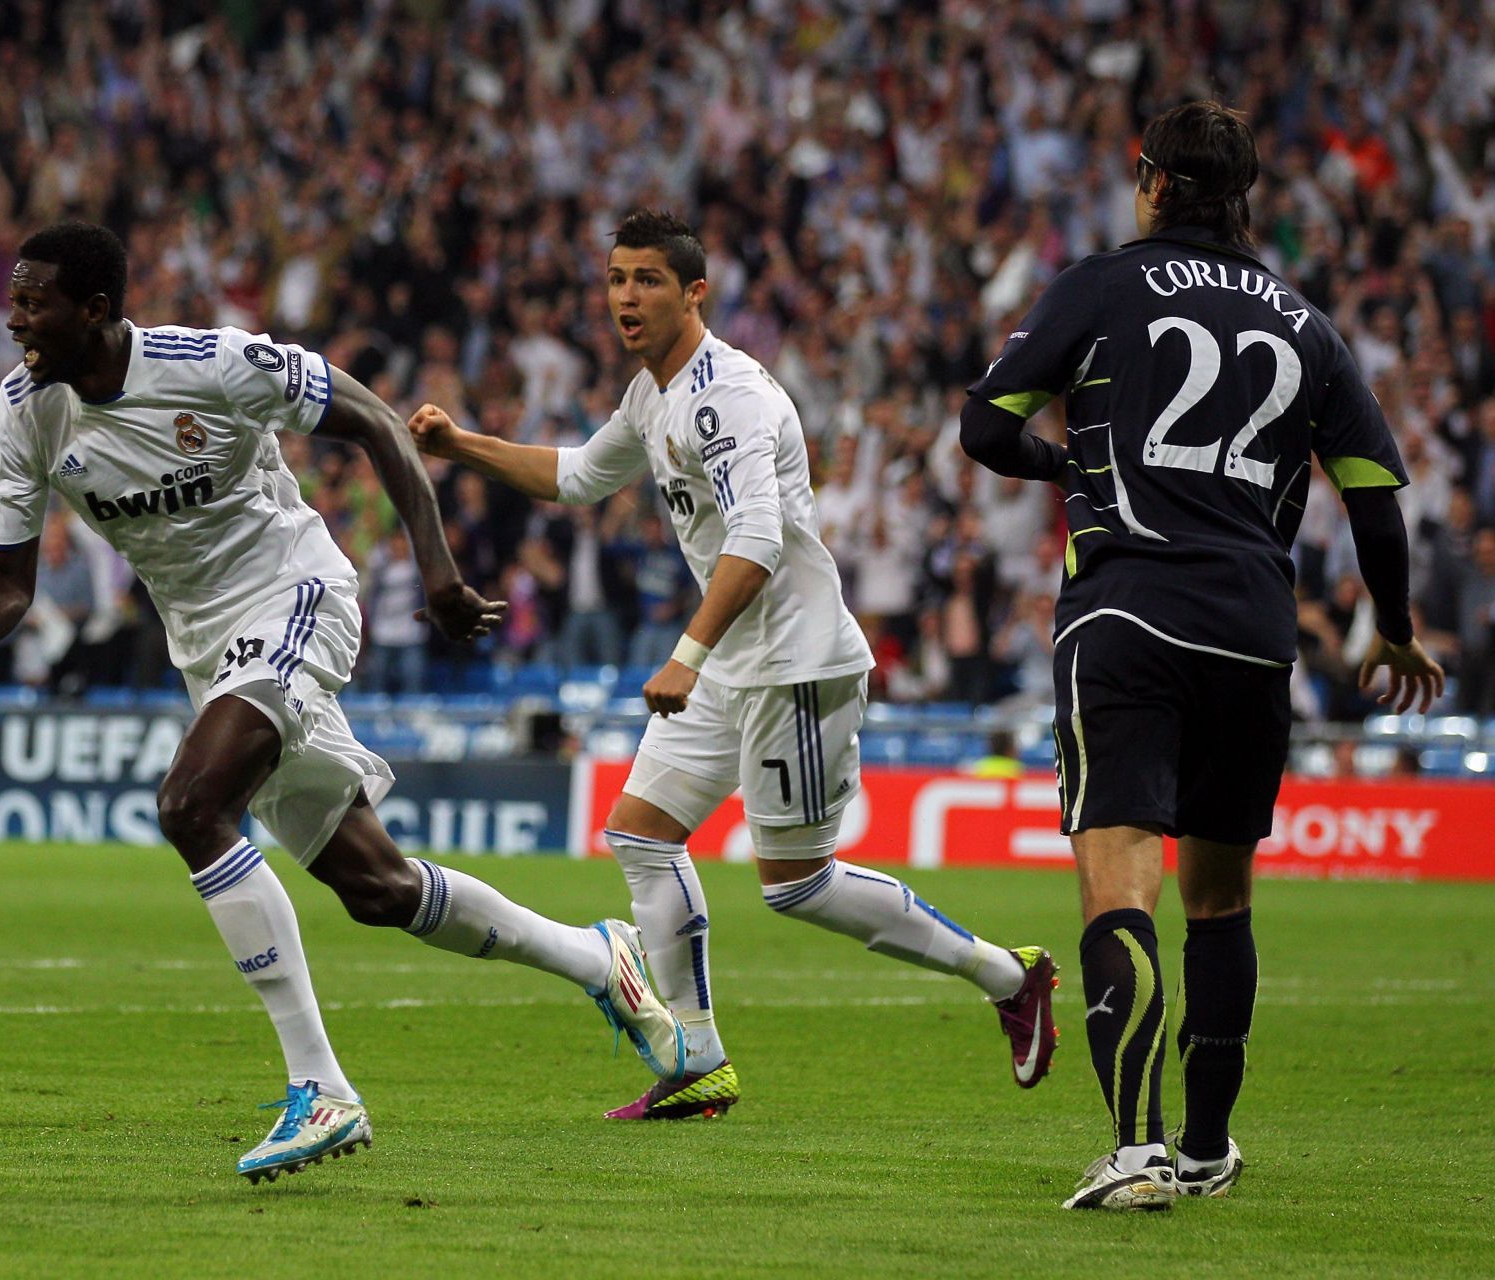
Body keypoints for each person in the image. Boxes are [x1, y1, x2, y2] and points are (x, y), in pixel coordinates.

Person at [0, 222, 683, 1185]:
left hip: (295, 595)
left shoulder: (213, 365)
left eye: (33, 302)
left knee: (191, 806)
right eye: (14, 299)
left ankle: (320, 1090)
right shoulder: (24, 410)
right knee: (379, 890)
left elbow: (371, 419)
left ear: (97, 310)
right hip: (209, 651)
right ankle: (592, 957)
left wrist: (437, 571)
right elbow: (7, 580)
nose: (14, 319)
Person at [410, 210, 1059, 1123]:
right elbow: (578, 478)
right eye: (615, 278)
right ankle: (698, 1058)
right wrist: (459, 445)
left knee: (798, 883)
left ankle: (1008, 974)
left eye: (646, 280)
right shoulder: (652, 394)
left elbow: (755, 538)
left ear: (694, 291)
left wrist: (685, 654)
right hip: (731, 663)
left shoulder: (730, 398)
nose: (625, 297)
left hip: (792, 661)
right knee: (639, 831)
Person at [960, 102, 1446, 1211]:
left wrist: (1072, 464)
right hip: (1253, 630)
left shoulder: (1101, 282)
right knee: (1219, 898)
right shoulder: (1308, 325)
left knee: (1116, 879)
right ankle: (1208, 1145)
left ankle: (1134, 1150)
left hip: (1128, 608)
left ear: (1151, 181)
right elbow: (1375, 497)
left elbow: (985, 425)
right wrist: (1397, 625)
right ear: (1246, 200)